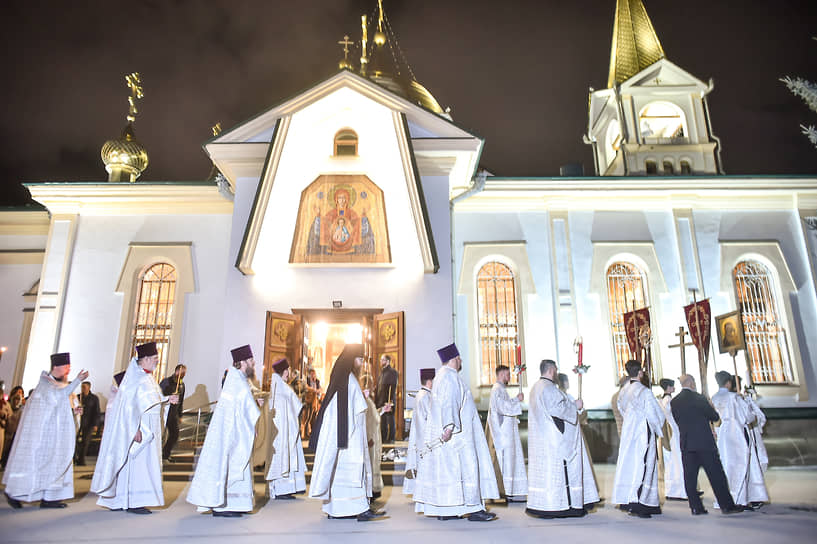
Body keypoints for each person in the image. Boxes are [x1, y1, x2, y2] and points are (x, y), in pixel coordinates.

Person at [413, 343, 499, 521]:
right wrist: (449, 426)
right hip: (459, 436)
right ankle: (475, 510)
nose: (461, 361)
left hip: (451, 434)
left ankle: (448, 510)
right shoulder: (450, 377)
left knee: (450, 472)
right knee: (468, 469)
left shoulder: (440, 377)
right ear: (453, 359)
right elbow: (450, 402)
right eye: (459, 358)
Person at [91, 342, 178, 514]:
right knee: (135, 466)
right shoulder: (134, 378)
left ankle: (125, 500)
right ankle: (133, 501)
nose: (157, 362)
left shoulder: (148, 378)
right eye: (154, 358)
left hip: (150, 430)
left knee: (143, 465)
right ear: (144, 359)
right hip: (139, 432)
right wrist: (134, 428)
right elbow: (127, 406)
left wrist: (167, 401)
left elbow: (151, 401)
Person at [308, 344, 385, 521]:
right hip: (348, 437)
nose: (361, 364)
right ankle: (360, 510)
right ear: (352, 359)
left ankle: (339, 510)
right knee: (351, 474)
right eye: (359, 359)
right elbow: (347, 411)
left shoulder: (345, 378)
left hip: (346, 435)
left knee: (344, 475)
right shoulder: (348, 379)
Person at [3, 353, 88, 509]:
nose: (68, 370)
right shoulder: (46, 384)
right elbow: (57, 397)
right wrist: (78, 380)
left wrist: (75, 412)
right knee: (37, 465)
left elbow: (64, 405)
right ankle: (14, 493)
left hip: (58, 435)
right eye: (66, 367)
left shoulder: (61, 386)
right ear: (56, 367)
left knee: (56, 465)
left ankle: (50, 498)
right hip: (43, 436)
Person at [187, 345, 260, 517]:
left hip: (239, 431)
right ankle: (222, 505)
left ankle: (234, 504)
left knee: (237, 466)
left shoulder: (239, 378)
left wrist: (251, 425)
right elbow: (237, 408)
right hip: (232, 434)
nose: (253, 363)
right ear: (242, 362)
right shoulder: (234, 380)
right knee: (230, 466)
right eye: (250, 360)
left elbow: (243, 406)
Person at [526, 359, 599, 518]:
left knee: (548, 475)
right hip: (555, 440)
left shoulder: (535, 388)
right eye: (556, 370)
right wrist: (575, 406)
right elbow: (557, 410)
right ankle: (567, 506)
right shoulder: (549, 388)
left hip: (542, 439)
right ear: (552, 370)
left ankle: (546, 506)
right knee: (562, 472)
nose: (557, 374)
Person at [670, 374, 744, 515]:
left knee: (690, 477)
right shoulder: (699, 398)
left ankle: (696, 507)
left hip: (687, 443)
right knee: (716, 475)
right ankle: (726, 505)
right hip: (704, 443)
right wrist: (710, 407)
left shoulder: (675, 402)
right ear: (692, 383)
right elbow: (714, 417)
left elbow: (677, 420)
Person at [612, 359, 666, 518]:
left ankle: (628, 500)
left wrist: (631, 420)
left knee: (630, 464)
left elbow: (621, 408)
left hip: (629, 430)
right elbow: (654, 414)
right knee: (644, 465)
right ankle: (641, 503)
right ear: (640, 373)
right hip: (643, 431)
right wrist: (658, 427)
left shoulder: (623, 390)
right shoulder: (644, 391)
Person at [711, 371, 769, 509]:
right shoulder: (733, 397)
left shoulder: (714, 397)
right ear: (729, 383)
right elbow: (747, 417)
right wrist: (749, 406)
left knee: (727, 465)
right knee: (743, 463)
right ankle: (741, 498)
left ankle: (726, 497)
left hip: (723, 432)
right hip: (736, 431)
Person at [265, 357, 307, 500]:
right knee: (283, 457)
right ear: (283, 371)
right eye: (288, 370)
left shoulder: (278, 386)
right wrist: (299, 403)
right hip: (282, 431)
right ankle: (282, 489)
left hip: (284, 429)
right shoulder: (281, 387)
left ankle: (287, 488)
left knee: (285, 457)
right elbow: (295, 406)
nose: (289, 373)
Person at [486, 365, 527, 502]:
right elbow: (502, 407)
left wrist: (515, 400)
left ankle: (510, 490)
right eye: (508, 374)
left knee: (509, 462)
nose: (509, 376)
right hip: (501, 433)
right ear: (502, 374)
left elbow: (505, 404)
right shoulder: (497, 389)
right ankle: (505, 491)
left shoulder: (501, 389)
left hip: (507, 431)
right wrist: (517, 401)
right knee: (504, 462)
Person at [403, 368, 434, 496]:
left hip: (421, 436)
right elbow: (430, 417)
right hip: (426, 437)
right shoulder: (425, 396)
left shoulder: (422, 394)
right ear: (430, 381)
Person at [657, 378, 686, 500]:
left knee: (672, 463)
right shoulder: (669, 401)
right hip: (674, 430)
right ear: (668, 387)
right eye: (673, 386)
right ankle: (680, 491)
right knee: (677, 462)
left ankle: (673, 490)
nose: (674, 388)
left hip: (670, 430)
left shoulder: (662, 400)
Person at [362, 375, 386, 499]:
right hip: (370, 438)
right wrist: (367, 437)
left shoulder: (369, 400)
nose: (374, 386)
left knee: (374, 463)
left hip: (374, 438)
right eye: (372, 384)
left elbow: (374, 415)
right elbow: (366, 420)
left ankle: (374, 490)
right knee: (369, 464)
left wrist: (382, 410)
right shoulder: (365, 400)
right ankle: (369, 491)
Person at [159, 364, 186, 462]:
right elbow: (159, 394)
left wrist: (180, 415)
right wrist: (170, 393)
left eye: (184, 373)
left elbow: (181, 401)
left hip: (173, 413)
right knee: (161, 434)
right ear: (176, 371)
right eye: (182, 372)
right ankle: (158, 454)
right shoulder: (166, 381)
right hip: (165, 411)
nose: (183, 374)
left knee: (174, 434)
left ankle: (166, 454)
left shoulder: (182, 385)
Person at [74, 381, 101, 466]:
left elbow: (97, 412)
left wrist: (96, 424)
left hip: (89, 423)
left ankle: (81, 460)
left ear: (89, 388)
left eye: (85, 387)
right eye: (82, 387)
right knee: (75, 441)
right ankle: (75, 458)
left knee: (85, 442)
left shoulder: (94, 398)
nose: (83, 389)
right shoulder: (78, 397)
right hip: (78, 422)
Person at [376, 354, 398, 443]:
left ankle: (391, 438)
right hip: (381, 400)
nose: (381, 361)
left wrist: (389, 401)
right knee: (383, 421)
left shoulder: (393, 372)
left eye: (383, 360)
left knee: (390, 420)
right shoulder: (382, 373)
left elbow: (392, 387)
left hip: (388, 400)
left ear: (388, 361)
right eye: (381, 360)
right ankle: (383, 438)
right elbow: (379, 387)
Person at [1, 386, 25, 468]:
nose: (19, 394)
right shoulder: (7, 404)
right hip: (4, 429)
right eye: (18, 392)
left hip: (14, 432)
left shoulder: (22, 409)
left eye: (21, 393)